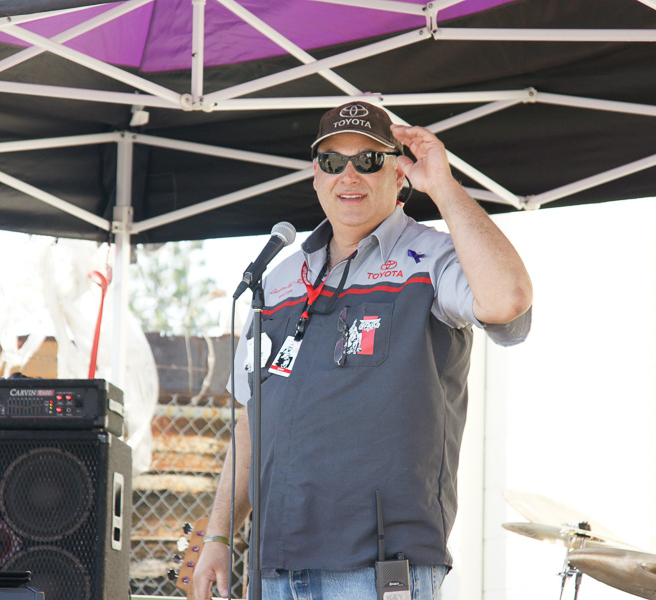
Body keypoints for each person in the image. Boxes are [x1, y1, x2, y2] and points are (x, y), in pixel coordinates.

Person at [193, 101, 533, 600]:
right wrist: (219, 537)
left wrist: (442, 185)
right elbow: (251, 420)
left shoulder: (432, 256)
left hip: (378, 567)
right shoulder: (279, 279)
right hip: (276, 568)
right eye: (333, 161)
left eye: (369, 160)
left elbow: (509, 298)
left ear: (399, 174)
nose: (348, 175)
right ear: (316, 176)